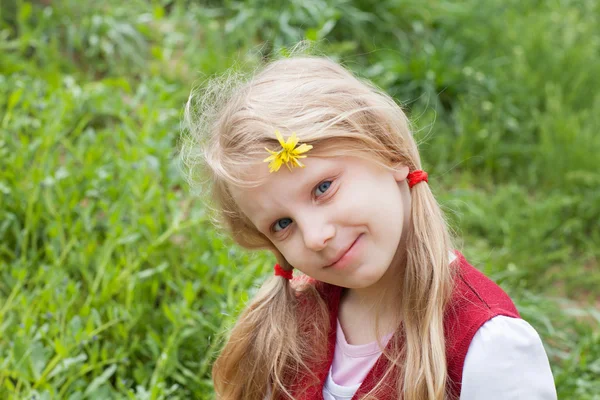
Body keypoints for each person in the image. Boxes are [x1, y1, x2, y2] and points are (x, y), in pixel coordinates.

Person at [182, 55, 557, 400]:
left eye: (323, 188)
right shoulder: (290, 328)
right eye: (282, 224)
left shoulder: (489, 349)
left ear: (389, 151)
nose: (315, 237)